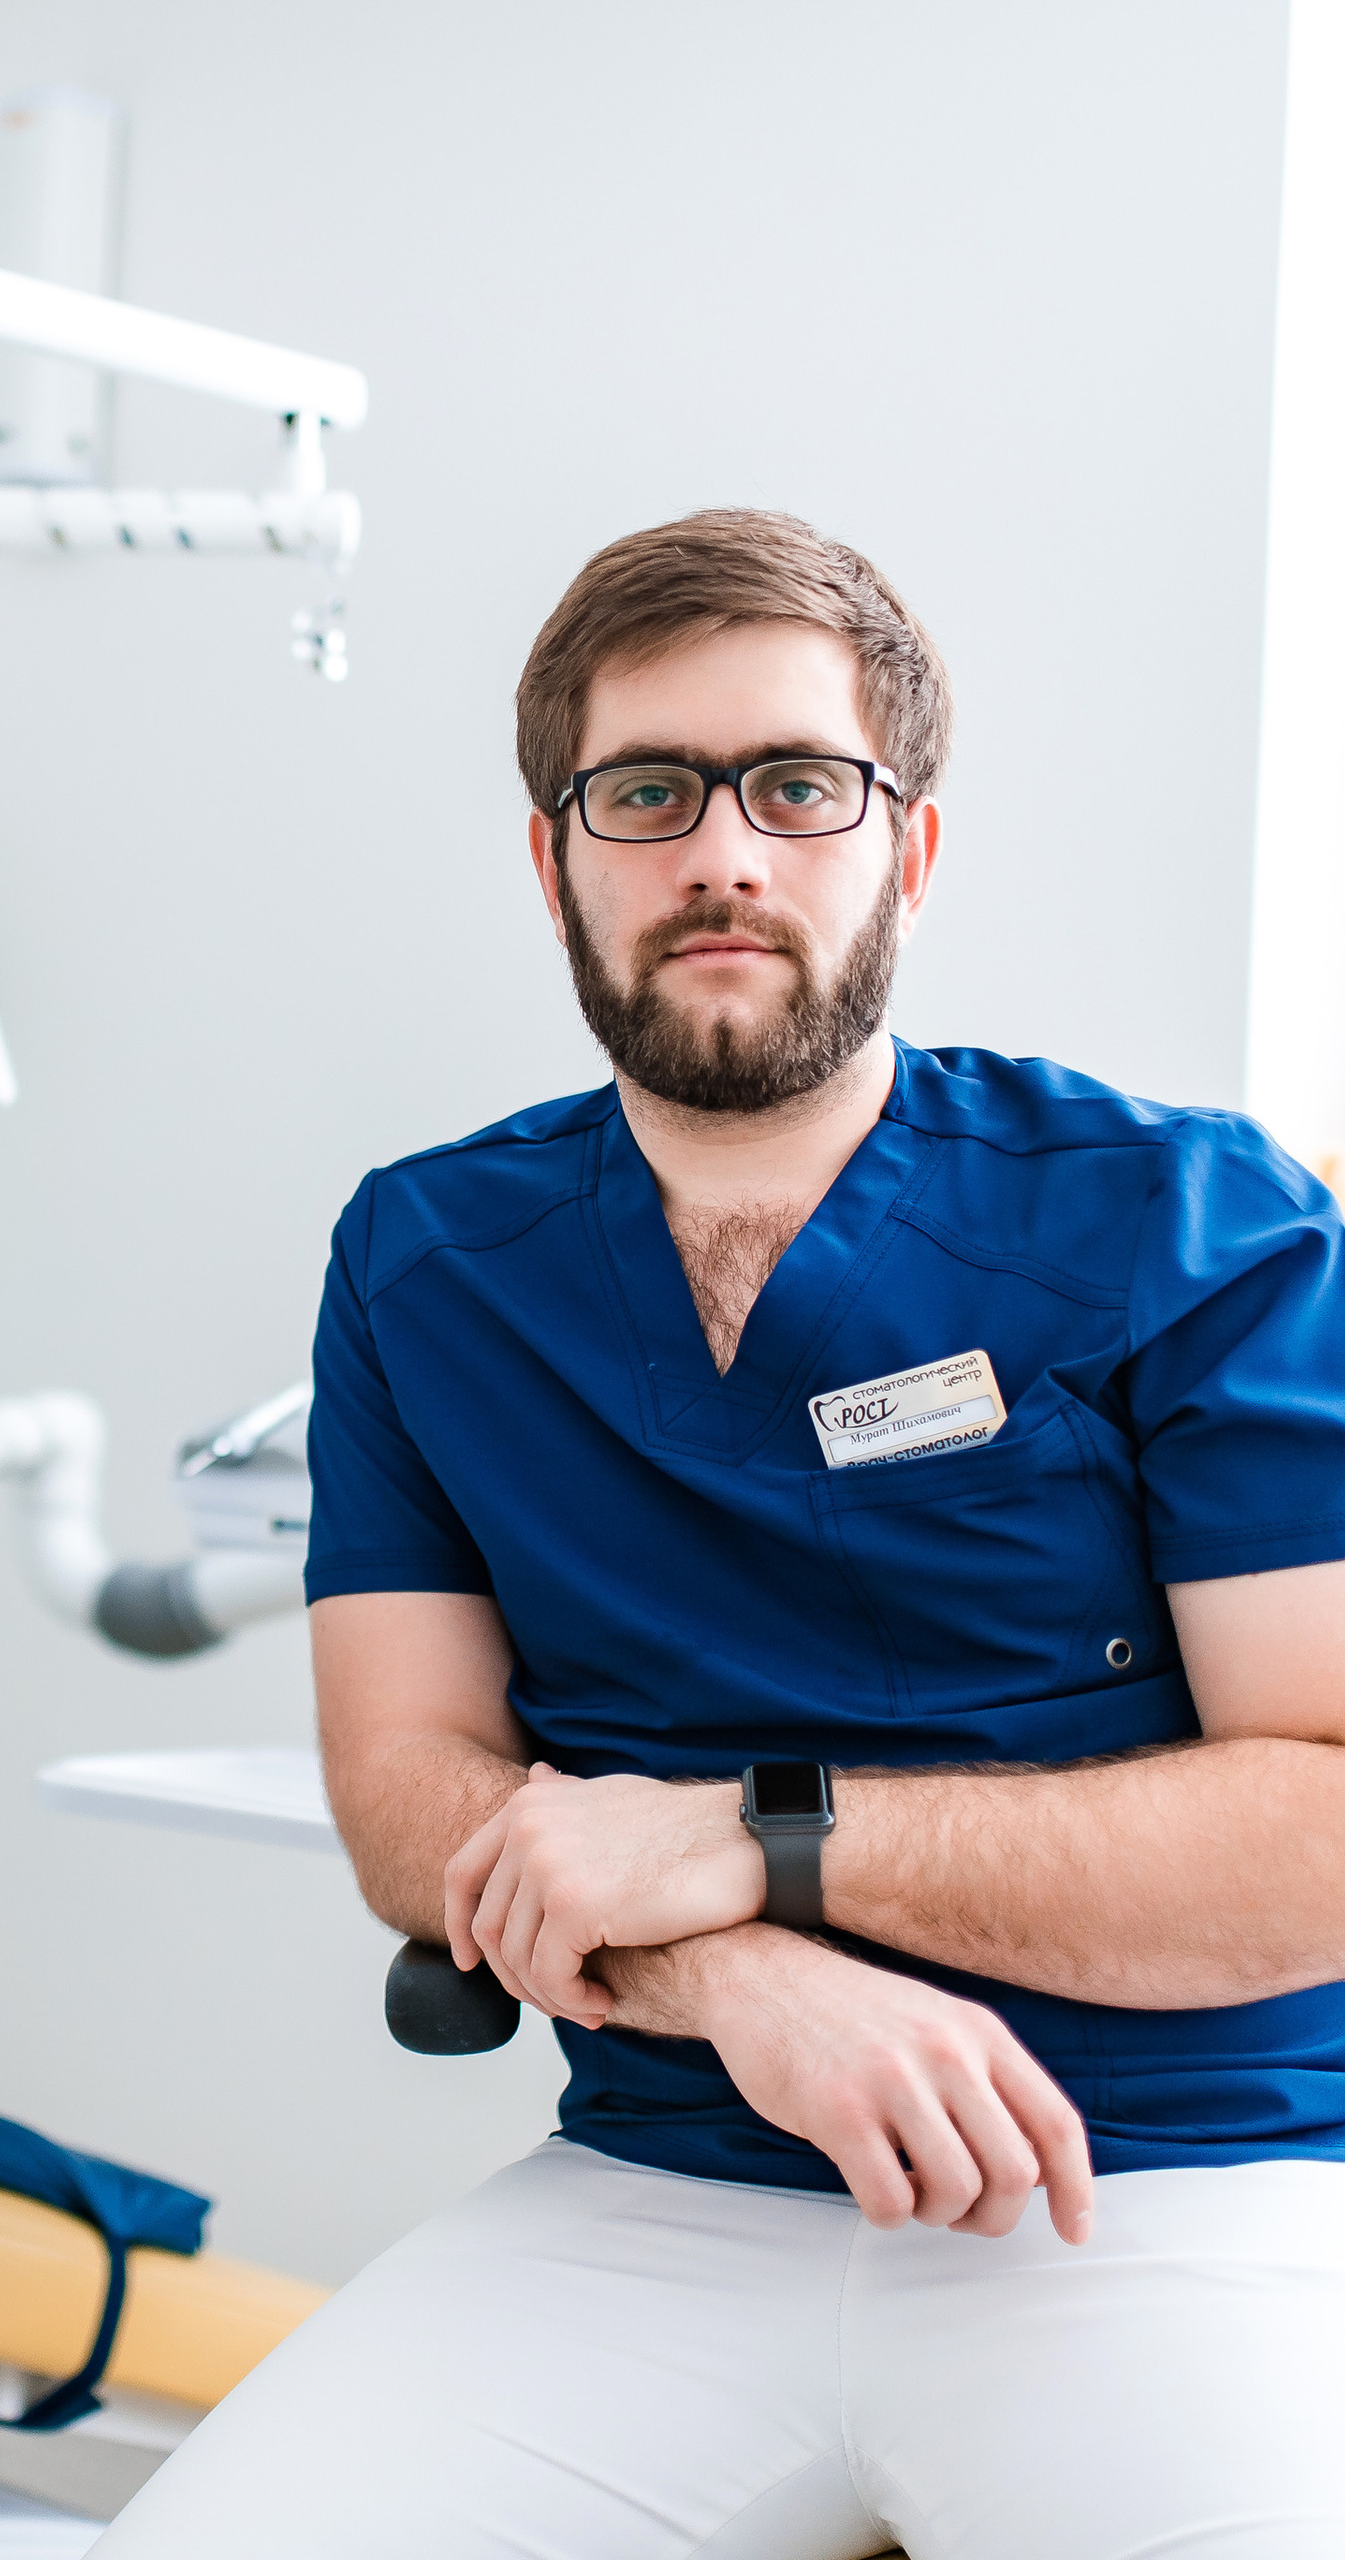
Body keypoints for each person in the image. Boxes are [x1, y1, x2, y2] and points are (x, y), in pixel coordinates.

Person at [96, 510, 1345, 2558]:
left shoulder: (1187, 1223)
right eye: (644, 792)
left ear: (906, 852)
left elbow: (1316, 1831)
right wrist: (741, 1973)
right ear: (552, 855)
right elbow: (406, 1788)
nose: (721, 854)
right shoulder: (429, 1256)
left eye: (795, 785)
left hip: (1168, 2189)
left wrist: (749, 1827)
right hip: (669, 2186)